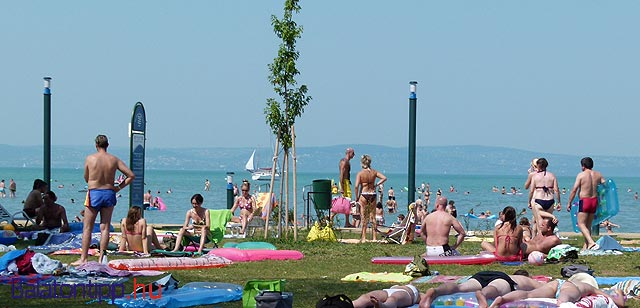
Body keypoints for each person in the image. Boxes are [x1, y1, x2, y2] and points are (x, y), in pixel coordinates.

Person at [73, 134, 135, 266]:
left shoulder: (90, 158)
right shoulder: (114, 159)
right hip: (109, 192)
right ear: (107, 145)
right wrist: (118, 188)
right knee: (105, 227)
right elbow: (131, 175)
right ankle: (102, 257)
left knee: (87, 227)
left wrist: (94, 182)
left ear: (96, 145)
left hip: (94, 192)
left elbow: (86, 177)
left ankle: (84, 258)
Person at [488, 273, 626, 308]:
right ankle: (562, 304)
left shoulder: (576, 282)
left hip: (556, 283)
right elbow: (618, 303)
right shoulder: (590, 288)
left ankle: (503, 298)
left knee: (528, 294)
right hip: (569, 288)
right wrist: (619, 294)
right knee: (564, 300)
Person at [419, 270, 542, 308]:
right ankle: (483, 294)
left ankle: (436, 291)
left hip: (482, 274)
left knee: (460, 287)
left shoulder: (514, 275)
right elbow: (544, 287)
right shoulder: (524, 279)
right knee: (495, 288)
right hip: (502, 278)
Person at [567, 157, 605, 250]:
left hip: (585, 201)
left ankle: (591, 242)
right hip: (594, 201)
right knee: (588, 225)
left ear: (583, 166)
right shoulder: (598, 174)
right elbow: (605, 186)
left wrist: (569, 203)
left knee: (581, 224)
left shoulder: (581, 175)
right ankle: (586, 246)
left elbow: (574, 189)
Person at [354, 154, 387, 242]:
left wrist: (356, 196)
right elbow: (384, 178)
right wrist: (376, 184)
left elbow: (356, 186)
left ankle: (364, 238)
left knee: (364, 217)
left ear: (362, 163)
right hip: (372, 194)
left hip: (364, 194)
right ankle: (374, 237)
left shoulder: (360, 173)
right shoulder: (374, 172)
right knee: (373, 216)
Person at [528, 158, 561, 236]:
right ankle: (547, 240)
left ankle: (541, 242)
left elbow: (531, 191)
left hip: (539, 200)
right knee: (547, 224)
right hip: (550, 200)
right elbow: (556, 190)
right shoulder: (552, 176)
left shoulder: (535, 176)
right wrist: (559, 202)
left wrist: (529, 201)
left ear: (538, 166)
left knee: (540, 225)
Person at [353, 284, 421, 308]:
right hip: (388, 291)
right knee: (367, 297)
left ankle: (383, 306)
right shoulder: (418, 293)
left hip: (407, 295)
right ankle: (350, 304)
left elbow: (426, 298)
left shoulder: (419, 295)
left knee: (393, 299)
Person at [336, 147, 355, 227]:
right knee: (343, 203)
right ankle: (330, 217)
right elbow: (341, 175)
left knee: (347, 203)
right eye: (353, 153)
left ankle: (347, 222)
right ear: (349, 153)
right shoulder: (344, 162)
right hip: (344, 183)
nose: (354, 155)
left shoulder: (347, 162)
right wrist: (342, 188)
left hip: (346, 182)